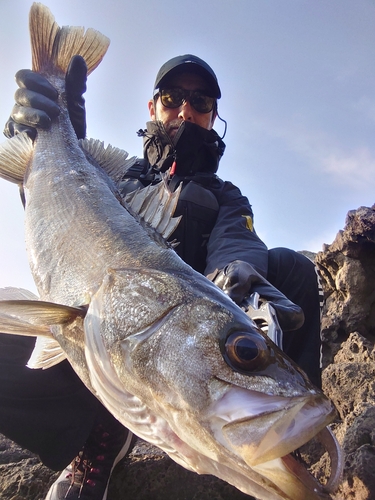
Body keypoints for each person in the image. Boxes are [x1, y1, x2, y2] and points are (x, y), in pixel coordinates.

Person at [0, 54, 323, 500]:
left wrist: (236, 277)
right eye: (172, 98)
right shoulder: (118, 180)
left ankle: (282, 452)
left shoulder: (226, 196)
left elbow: (236, 242)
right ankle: (94, 438)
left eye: (201, 100)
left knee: (289, 266)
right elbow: (54, 224)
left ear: (214, 117)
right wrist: (43, 136)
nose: (185, 109)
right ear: (153, 107)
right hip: (96, 340)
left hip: (178, 346)